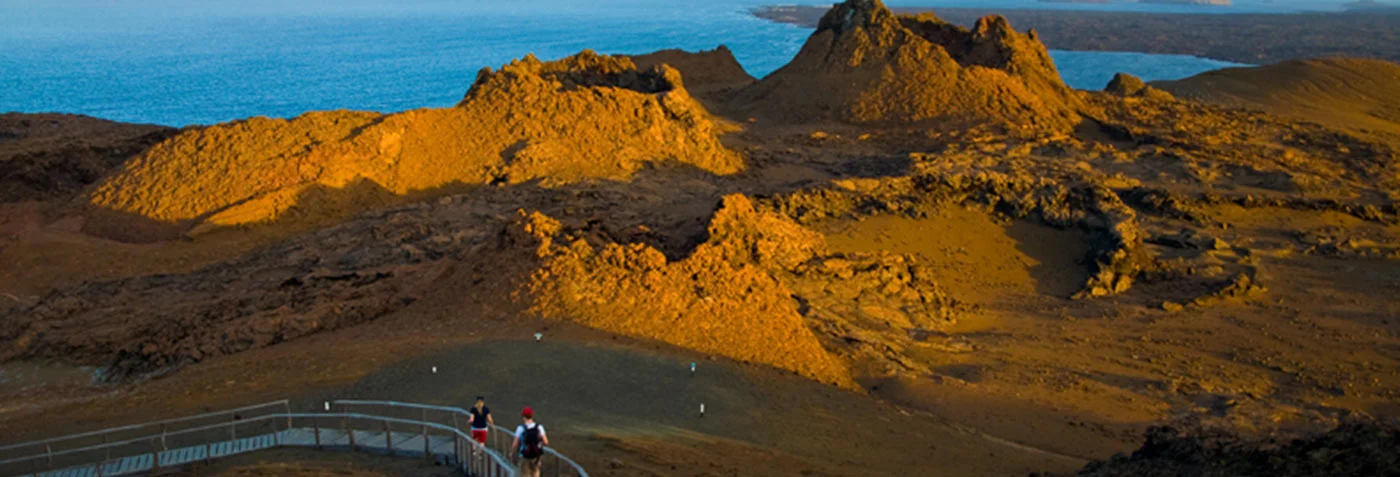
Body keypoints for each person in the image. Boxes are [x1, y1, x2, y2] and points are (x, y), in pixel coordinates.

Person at [510, 407, 549, 477]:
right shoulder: (539, 427)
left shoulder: (520, 428)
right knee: (536, 473)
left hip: (524, 455)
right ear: (532, 416)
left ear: (524, 417)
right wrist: (539, 445)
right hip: (536, 455)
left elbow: (515, 443)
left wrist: (512, 453)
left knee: (525, 474)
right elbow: (546, 442)